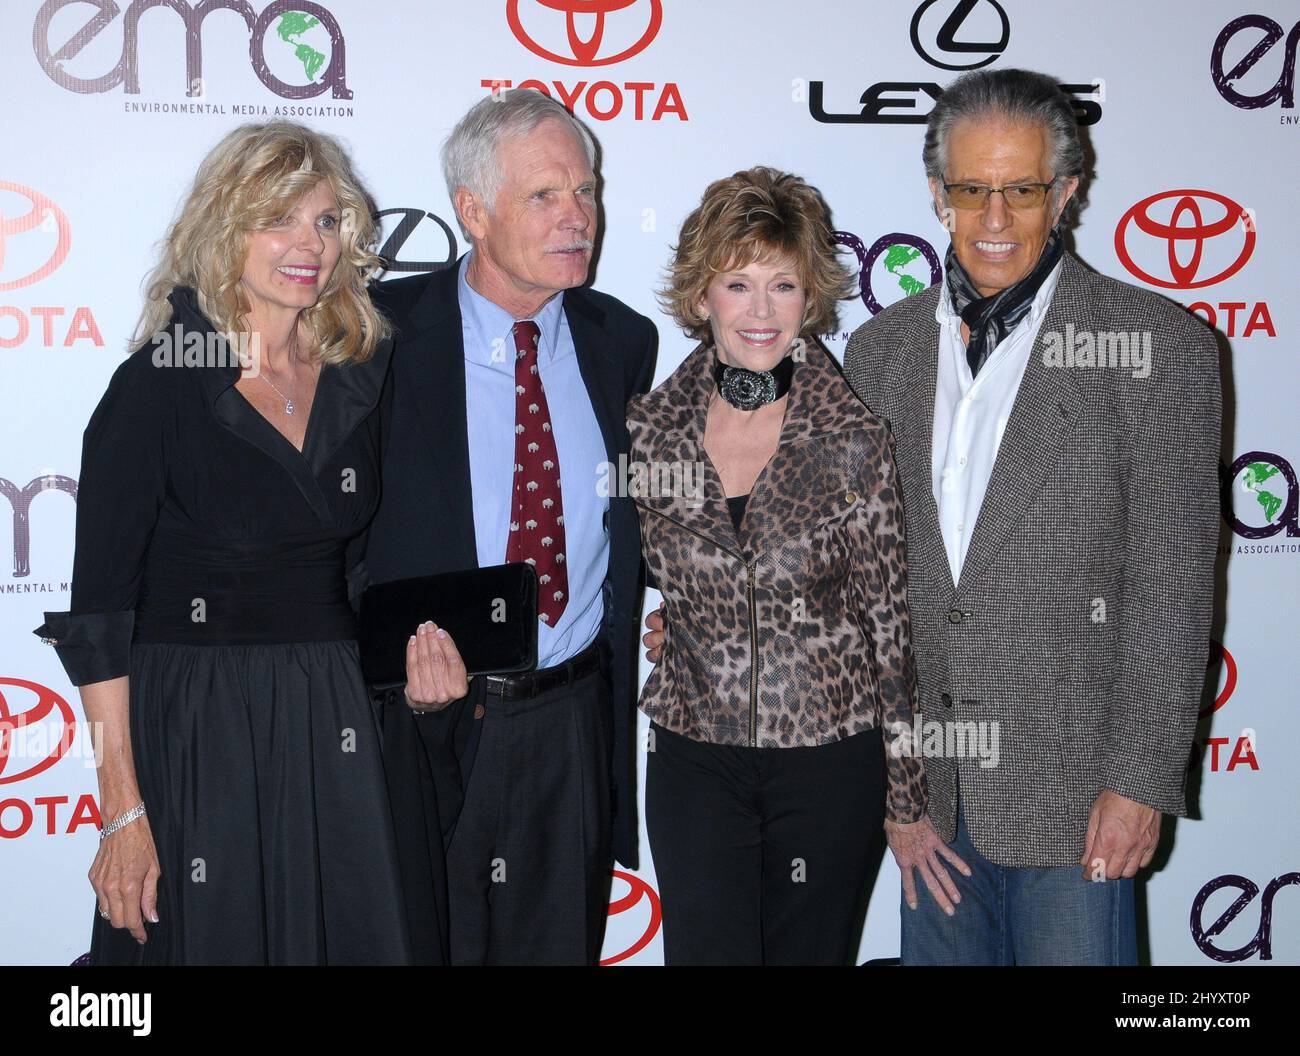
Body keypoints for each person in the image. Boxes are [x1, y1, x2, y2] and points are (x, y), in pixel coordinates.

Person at [35, 122, 457, 964]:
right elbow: (101, 617)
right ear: (226, 232)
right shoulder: (158, 384)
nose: (310, 246)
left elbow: (363, 571)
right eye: (281, 221)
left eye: (328, 222)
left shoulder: (359, 374)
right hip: (198, 721)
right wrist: (124, 808)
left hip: (332, 717)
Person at [841, 69, 1220, 964]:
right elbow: (853, 576)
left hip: (1077, 793)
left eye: (1023, 190)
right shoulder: (880, 351)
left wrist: (1138, 783)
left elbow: (1173, 585)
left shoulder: (1158, 347)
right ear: (938, 194)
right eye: (973, 190)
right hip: (926, 797)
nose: (997, 219)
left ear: (1068, 191)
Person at [627, 167, 964, 966]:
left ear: (811, 297)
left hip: (827, 766)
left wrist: (908, 799)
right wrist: (677, 619)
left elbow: (891, 629)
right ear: (702, 292)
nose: (760, 311)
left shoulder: (852, 436)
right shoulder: (650, 428)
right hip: (692, 757)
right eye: (738, 283)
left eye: (783, 285)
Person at [359, 89, 658, 965]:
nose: (579, 219)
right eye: (545, 197)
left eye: (588, 191)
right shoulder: (376, 337)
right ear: (473, 212)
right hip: (422, 723)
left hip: (570, 719)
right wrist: (389, 679)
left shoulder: (620, 340)